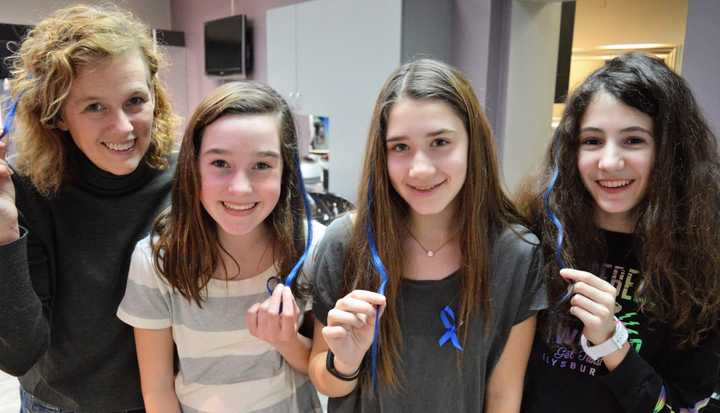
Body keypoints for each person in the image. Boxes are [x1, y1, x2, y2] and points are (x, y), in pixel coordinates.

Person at [307, 59, 546, 412]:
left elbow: (503, 395)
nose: (420, 169)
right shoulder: (347, 242)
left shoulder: (516, 255)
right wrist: (345, 362)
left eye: (439, 142)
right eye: (400, 147)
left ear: (472, 143)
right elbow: (321, 373)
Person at [0, 4, 179, 412]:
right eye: (94, 106)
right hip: (60, 404)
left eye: (135, 100)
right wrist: (4, 236)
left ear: (155, 96)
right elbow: (17, 353)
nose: (123, 128)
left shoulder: (188, 176)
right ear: (58, 114)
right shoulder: (24, 191)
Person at [519, 52, 720, 412]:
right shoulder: (537, 233)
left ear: (671, 151)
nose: (610, 162)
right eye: (592, 141)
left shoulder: (705, 264)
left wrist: (613, 344)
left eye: (633, 141)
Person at [117, 81, 324, 413]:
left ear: (286, 171)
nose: (240, 188)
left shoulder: (312, 246)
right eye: (220, 164)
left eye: (262, 165)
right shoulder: (158, 259)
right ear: (193, 167)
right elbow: (157, 390)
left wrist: (285, 339)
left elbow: (320, 369)